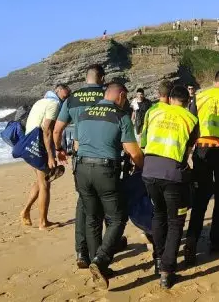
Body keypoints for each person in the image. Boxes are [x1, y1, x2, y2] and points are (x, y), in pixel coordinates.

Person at [75, 83, 145, 289]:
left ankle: (99, 266)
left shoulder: (85, 113)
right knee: (117, 217)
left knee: (92, 217)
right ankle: (101, 260)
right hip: (105, 171)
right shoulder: (120, 115)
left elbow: (77, 145)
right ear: (121, 95)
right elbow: (133, 151)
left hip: (81, 168)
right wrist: (144, 168)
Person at [142, 86, 199, 288]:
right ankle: (167, 269)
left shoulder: (154, 111)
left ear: (171, 98)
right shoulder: (191, 119)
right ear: (186, 100)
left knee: (158, 214)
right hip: (173, 174)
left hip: (149, 170)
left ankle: (158, 260)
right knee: (175, 221)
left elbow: (143, 140)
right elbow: (188, 151)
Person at [52, 64, 108, 269]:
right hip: (105, 155)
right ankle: (100, 249)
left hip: (81, 156)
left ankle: (81, 251)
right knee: (104, 203)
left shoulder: (72, 98)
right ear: (101, 78)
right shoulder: (108, 95)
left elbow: (57, 130)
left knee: (84, 203)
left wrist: (59, 150)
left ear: (86, 78)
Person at [184, 70, 219, 265]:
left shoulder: (199, 97)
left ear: (214, 81)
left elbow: (191, 127)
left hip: (202, 151)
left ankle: (192, 238)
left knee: (200, 197)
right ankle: (216, 240)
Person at [19, 84, 71, 230]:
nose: (65, 99)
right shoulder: (54, 105)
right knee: (45, 184)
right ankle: (43, 222)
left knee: (40, 181)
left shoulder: (41, 101)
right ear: (57, 92)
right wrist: (50, 155)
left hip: (29, 146)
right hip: (39, 148)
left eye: (67, 97)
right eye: (64, 97)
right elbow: (47, 130)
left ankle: (25, 211)